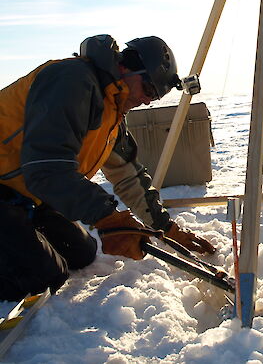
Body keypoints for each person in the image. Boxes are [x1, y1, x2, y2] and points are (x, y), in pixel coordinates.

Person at [0, 34, 215, 302]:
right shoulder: (72, 81)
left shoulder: (112, 109)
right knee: (42, 276)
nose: (148, 101)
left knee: (82, 253)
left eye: (155, 97)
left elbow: (129, 176)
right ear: (126, 69)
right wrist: (106, 216)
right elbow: (46, 167)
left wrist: (167, 229)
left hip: (24, 195)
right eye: (149, 90)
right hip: (11, 188)